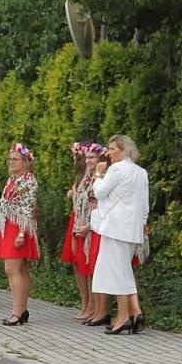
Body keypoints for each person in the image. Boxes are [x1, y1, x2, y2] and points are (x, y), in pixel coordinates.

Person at [91, 134, 151, 334]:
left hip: (115, 227)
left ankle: (124, 316)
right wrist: (142, 224)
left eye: (112, 149)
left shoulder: (116, 169)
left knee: (117, 273)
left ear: (124, 149)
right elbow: (144, 204)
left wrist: (98, 174)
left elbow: (100, 192)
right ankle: (134, 312)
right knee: (123, 271)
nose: (108, 153)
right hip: (131, 229)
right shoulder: (141, 172)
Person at [0, 143, 40, 325]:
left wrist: (21, 233)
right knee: (20, 269)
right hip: (9, 225)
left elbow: (28, 208)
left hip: (19, 226)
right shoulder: (13, 179)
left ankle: (17, 311)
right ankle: (22, 310)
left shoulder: (29, 181)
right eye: (9, 159)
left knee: (12, 269)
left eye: (15, 159)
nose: (10, 162)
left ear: (25, 162)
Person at [65, 144, 107, 325]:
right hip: (80, 220)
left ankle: (97, 308)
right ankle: (88, 304)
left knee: (92, 266)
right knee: (81, 264)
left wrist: (89, 225)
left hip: (93, 224)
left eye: (92, 157)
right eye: (86, 157)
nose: (87, 160)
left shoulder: (100, 177)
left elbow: (100, 202)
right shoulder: (84, 177)